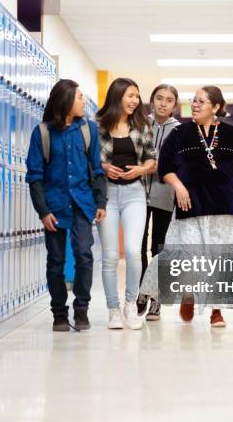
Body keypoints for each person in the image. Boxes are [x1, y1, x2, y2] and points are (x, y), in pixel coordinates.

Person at [140, 86, 233, 328]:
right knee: (186, 257)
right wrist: (178, 186)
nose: (194, 105)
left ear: (216, 107)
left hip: (224, 207)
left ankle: (216, 311)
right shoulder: (179, 134)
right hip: (190, 206)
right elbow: (165, 166)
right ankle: (188, 295)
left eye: (201, 101)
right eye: (193, 101)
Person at [26, 79, 107, 332]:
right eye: (80, 97)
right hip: (55, 206)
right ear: (66, 101)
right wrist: (43, 211)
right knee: (56, 260)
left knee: (84, 254)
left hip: (82, 203)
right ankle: (59, 313)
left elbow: (96, 169)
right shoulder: (42, 133)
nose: (84, 102)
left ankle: (81, 309)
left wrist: (100, 200)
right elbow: (35, 175)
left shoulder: (89, 130)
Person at [97, 77, 156, 330]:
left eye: (137, 96)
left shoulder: (142, 125)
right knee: (110, 256)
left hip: (134, 193)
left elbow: (152, 160)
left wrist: (140, 171)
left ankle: (131, 304)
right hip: (107, 195)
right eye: (131, 95)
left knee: (133, 252)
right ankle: (113, 310)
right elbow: (88, 160)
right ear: (117, 96)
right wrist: (103, 168)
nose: (135, 100)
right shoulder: (98, 125)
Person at [137, 84, 181, 321]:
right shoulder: (141, 125)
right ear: (152, 101)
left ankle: (157, 298)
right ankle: (142, 293)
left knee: (159, 247)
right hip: (139, 195)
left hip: (166, 196)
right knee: (138, 246)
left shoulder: (180, 131)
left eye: (169, 100)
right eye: (159, 98)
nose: (163, 103)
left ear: (175, 105)